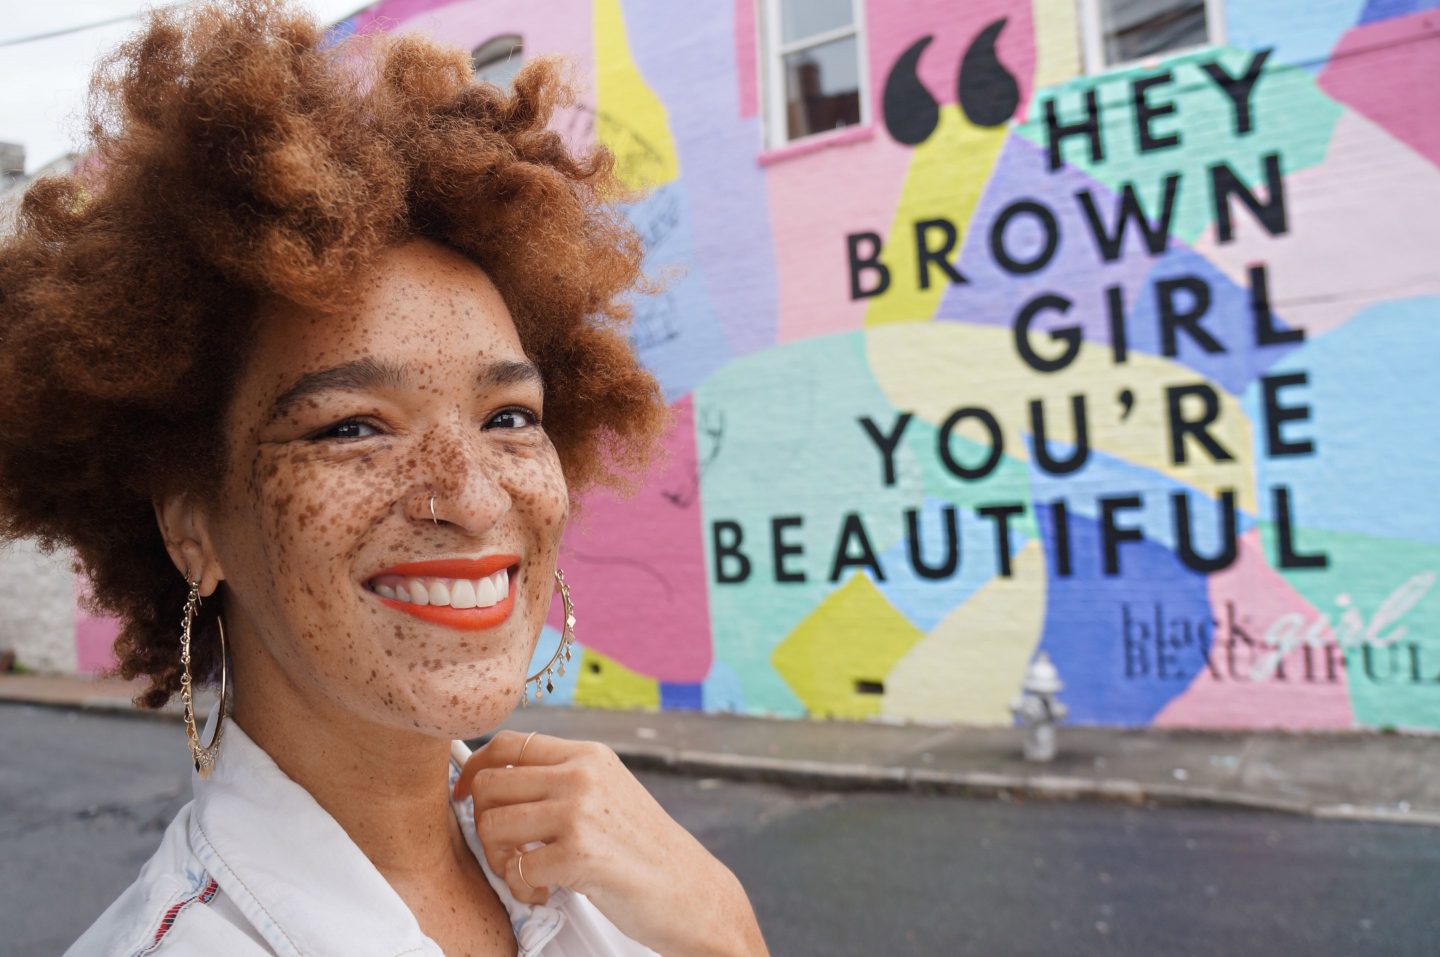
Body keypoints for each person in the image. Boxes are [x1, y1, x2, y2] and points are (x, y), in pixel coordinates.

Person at [0, 2, 769, 954]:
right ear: (192, 526)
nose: (475, 498)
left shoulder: (619, 884)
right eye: (354, 426)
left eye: (509, 417)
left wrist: (723, 929)